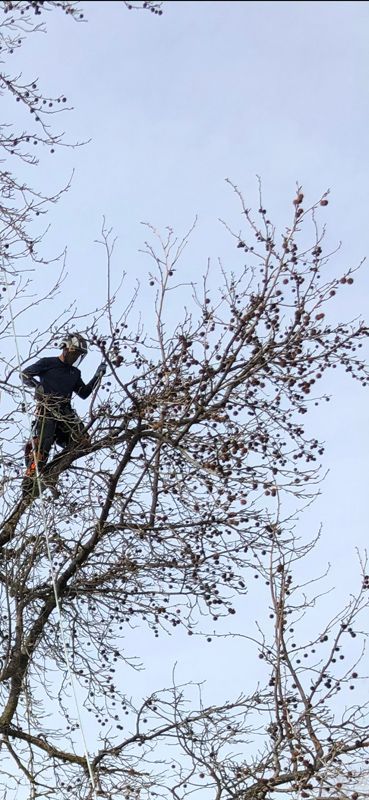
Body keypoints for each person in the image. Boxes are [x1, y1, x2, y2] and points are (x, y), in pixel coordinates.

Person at [20, 333, 106, 497]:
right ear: (66, 349)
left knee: (83, 441)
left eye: (78, 356)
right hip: (47, 410)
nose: (75, 358)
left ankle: (53, 469)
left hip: (65, 413)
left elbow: (83, 393)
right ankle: (29, 482)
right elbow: (24, 374)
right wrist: (37, 386)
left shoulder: (74, 373)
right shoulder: (48, 363)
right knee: (43, 446)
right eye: (74, 354)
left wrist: (97, 376)